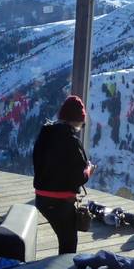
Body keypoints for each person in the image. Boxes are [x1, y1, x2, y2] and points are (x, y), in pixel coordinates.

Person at [32, 95, 95, 255]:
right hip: (60, 202)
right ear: (77, 121)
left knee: (64, 236)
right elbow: (78, 177)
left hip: (41, 198)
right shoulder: (72, 142)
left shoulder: (44, 134)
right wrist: (88, 171)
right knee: (69, 243)